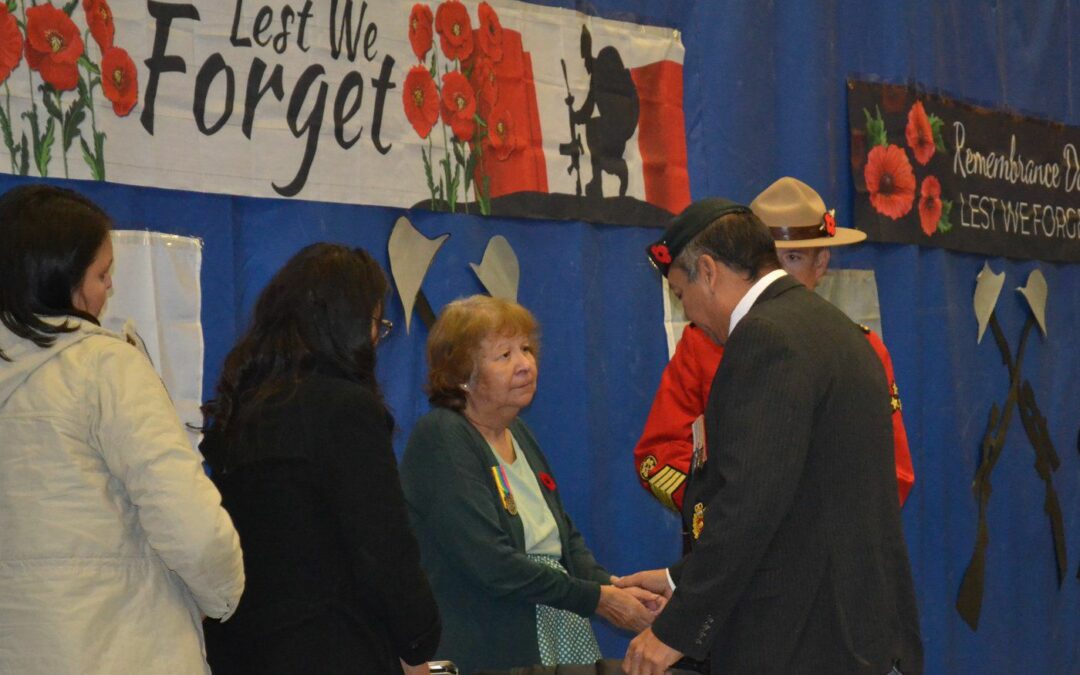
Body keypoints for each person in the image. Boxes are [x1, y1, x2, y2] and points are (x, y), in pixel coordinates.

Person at [620, 199, 922, 674]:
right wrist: (682, 580)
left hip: (803, 641)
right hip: (858, 635)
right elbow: (803, 503)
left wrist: (677, 627)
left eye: (682, 295)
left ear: (709, 271)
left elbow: (750, 505)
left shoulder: (766, 338)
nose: (691, 315)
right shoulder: (837, 332)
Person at [0, 184, 244, 674]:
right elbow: (190, 524)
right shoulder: (105, 366)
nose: (110, 288)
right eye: (102, 274)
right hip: (122, 648)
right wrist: (222, 594)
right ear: (59, 279)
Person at [200, 244, 440, 675]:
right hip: (332, 646)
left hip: (241, 649)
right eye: (374, 323)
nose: (374, 339)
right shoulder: (344, 409)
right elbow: (383, 547)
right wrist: (418, 640)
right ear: (345, 325)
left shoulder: (243, 408)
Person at [400, 295, 662, 674]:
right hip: (490, 648)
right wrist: (598, 599)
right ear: (462, 375)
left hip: (555, 630)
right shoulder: (442, 436)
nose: (525, 365)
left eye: (526, 349)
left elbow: (562, 537)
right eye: (504, 356)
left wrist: (614, 587)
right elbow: (490, 563)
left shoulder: (517, 431)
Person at [634, 177, 914, 519]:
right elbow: (658, 453)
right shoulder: (702, 344)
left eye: (793, 258)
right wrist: (715, 509)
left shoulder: (860, 347)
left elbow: (892, 472)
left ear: (821, 264)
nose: (777, 274)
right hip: (728, 543)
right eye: (769, 261)